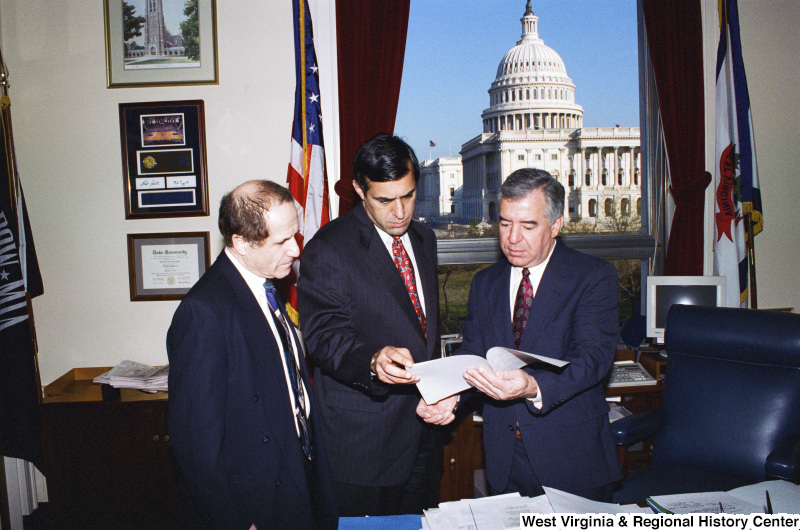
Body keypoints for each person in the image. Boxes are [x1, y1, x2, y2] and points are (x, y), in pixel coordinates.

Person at [419, 168, 622, 502]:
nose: (513, 237)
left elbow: (593, 359)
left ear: (556, 225)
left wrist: (532, 386)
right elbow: (474, 354)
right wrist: (450, 395)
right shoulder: (485, 283)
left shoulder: (593, 277)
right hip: (504, 461)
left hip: (572, 459)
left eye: (528, 225)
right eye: (504, 222)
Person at [167, 180, 338, 529]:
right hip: (256, 502)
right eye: (281, 241)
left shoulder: (266, 286)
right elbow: (196, 443)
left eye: (295, 235)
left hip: (297, 476)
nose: (295, 250)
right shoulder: (205, 311)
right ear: (241, 243)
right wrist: (234, 520)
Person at [297, 133, 443, 516]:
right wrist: (373, 360)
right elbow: (323, 338)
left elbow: (423, 328)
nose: (400, 212)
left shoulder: (425, 239)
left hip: (426, 430)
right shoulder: (329, 247)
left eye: (408, 195)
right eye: (385, 200)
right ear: (360, 190)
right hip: (365, 443)